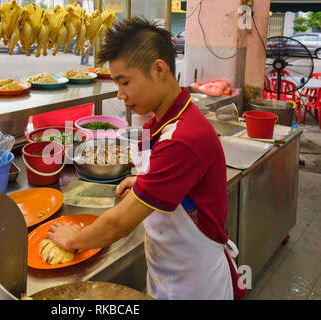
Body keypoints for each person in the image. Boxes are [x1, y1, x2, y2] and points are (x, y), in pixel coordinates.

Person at [46, 17, 246, 300]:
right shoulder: (162, 121)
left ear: (159, 69)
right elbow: (173, 179)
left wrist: (72, 238)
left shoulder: (183, 138)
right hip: (169, 272)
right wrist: (144, 180)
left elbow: (119, 224)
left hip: (195, 285)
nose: (120, 94)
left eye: (124, 82)